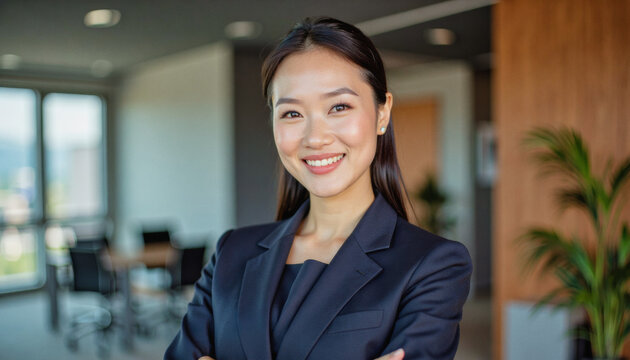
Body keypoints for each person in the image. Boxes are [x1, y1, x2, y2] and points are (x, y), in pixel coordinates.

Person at [164, 17, 472, 360]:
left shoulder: (432, 265)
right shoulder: (232, 252)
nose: (314, 138)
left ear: (382, 113)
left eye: (339, 107)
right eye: (292, 114)